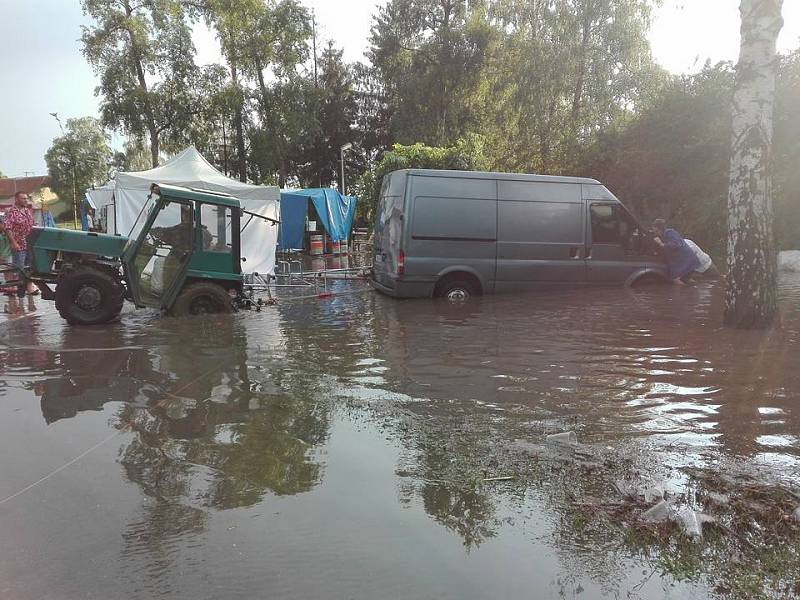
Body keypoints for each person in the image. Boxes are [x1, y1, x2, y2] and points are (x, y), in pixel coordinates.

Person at [5, 191, 38, 295]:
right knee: (19, 266)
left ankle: (28, 286)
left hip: (29, 243)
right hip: (19, 243)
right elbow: (7, 228)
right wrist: (13, 242)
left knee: (30, 266)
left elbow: (32, 224)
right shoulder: (11, 211)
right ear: (16, 199)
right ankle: (18, 288)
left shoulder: (27, 211)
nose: (25, 200)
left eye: (26, 198)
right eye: (23, 198)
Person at [651, 219, 700, 285]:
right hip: (682, 261)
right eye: (654, 231)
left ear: (660, 229)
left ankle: (683, 293)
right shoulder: (662, 236)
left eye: (656, 231)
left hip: (686, 260)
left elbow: (676, 244)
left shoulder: (670, 232)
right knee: (686, 280)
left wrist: (661, 244)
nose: (655, 233)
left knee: (675, 280)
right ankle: (692, 291)